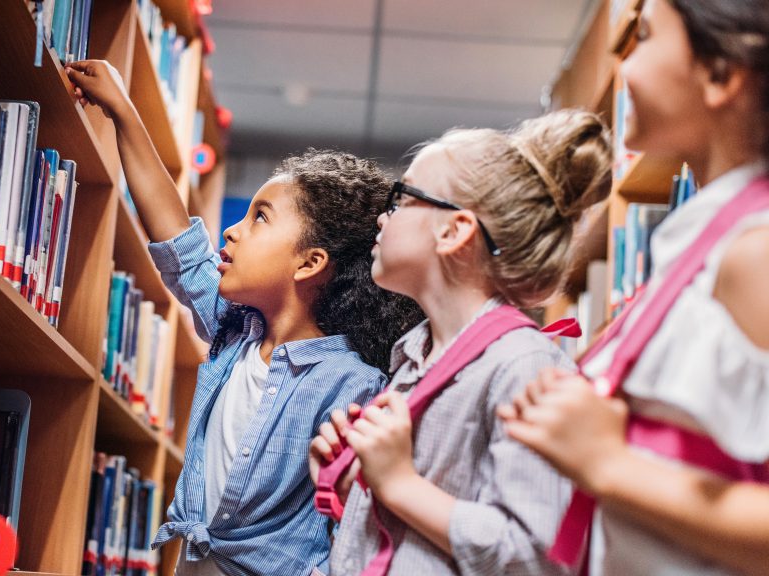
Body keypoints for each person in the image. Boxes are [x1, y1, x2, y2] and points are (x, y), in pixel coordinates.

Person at [65, 59, 424, 575]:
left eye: (260, 218)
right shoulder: (236, 330)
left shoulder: (353, 384)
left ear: (310, 263)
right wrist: (123, 111)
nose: (232, 232)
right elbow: (177, 240)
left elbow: (348, 527)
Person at [499, 1, 769, 574]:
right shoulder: (701, 244)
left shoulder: (755, 251)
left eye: (642, 37)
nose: (627, 64)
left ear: (721, 73)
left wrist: (608, 464)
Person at [310, 108, 613, 575]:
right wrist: (358, 485)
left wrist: (398, 483)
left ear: (454, 231)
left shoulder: (525, 366)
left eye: (402, 197)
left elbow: (535, 557)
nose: (382, 217)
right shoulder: (414, 358)